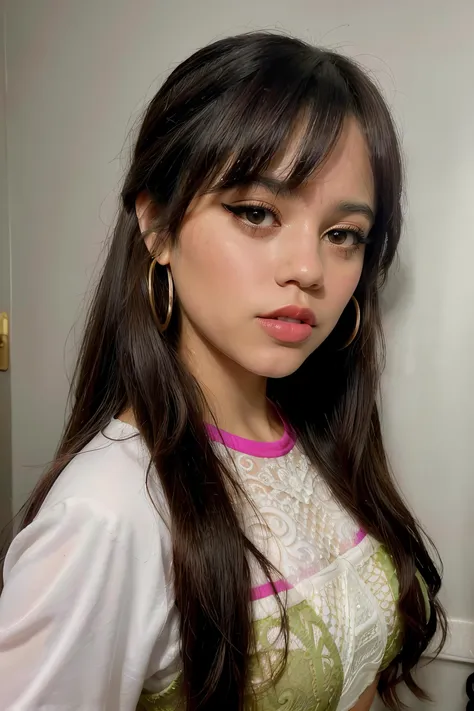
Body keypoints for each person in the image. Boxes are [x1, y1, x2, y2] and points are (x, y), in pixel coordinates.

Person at [0, 32, 446, 711]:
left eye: (342, 233)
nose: (308, 268)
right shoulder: (108, 513)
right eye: (256, 212)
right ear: (157, 225)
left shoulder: (320, 445)